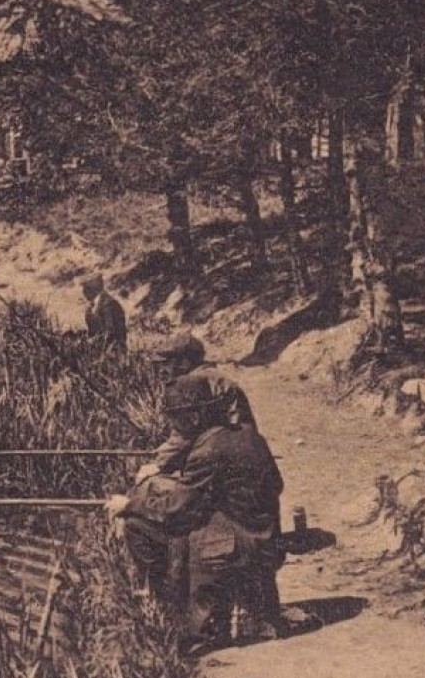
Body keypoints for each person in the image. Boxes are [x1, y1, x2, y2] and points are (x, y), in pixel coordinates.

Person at [107, 374, 287, 648]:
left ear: (193, 418)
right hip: (266, 540)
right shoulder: (248, 435)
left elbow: (176, 509)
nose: (172, 425)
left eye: (175, 419)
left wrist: (129, 504)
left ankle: (172, 609)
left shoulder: (207, 450)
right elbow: (277, 484)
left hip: (238, 548)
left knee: (137, 524)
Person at [136, 332, 255, 481]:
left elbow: (186, 434)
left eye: (166, 363)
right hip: (244, 454)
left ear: (184, 362)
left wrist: (159, 464)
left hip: (219, 462)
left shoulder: (192, 384)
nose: (161, 370)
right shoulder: (216, 377)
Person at [82, 274, 127, 351]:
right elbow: (92, 330)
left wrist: (93, 341)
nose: (83, 293)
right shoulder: (92, 306)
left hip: (114, 352)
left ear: (93, 290)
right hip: (99, 350)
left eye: (86, 289)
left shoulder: (109, 304)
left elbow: (110, 332)